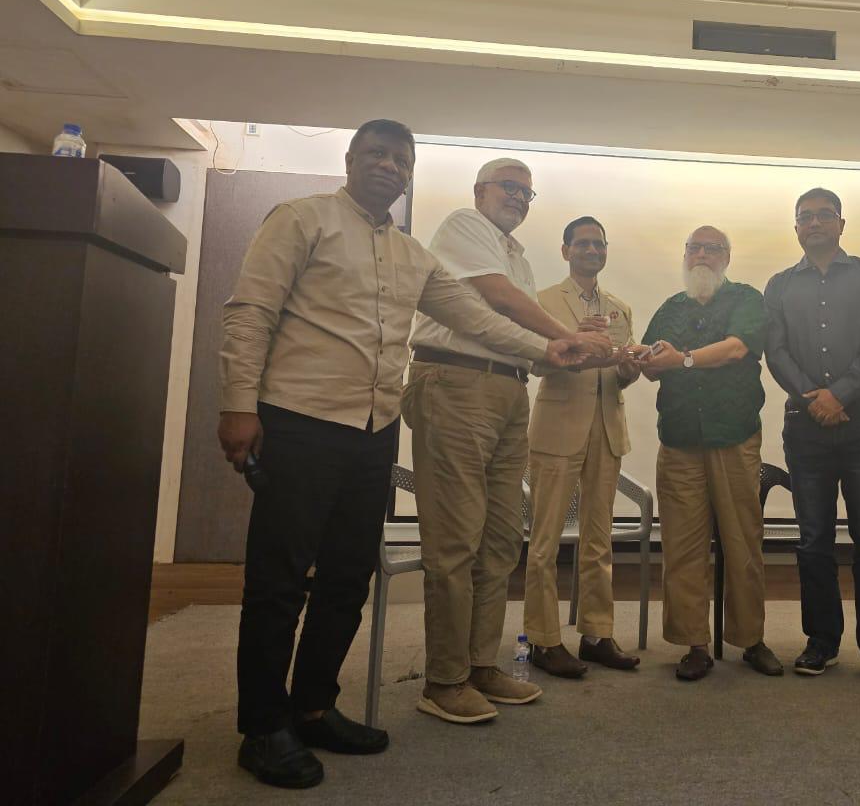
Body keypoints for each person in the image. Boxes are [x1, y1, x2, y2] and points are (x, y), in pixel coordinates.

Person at [219, 122, 590, 789]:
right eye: (377, 154)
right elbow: (251, 310)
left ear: (411, 173)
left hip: (374, 426)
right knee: (279, 580)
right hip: (300, 417)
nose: (390, 166)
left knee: (346, 578)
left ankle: (313, 707)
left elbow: (474, 317)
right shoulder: (302, 219)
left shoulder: (411, 254)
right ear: (350, 159)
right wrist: (238, 402)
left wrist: (546, 349)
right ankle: (263, 725)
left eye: (401, 159)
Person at [405, 158, 611, 724]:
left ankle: (480, 666)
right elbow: (497, 300)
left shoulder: (517, 256)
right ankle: (444, 680)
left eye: (526, 191)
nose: (518, 197)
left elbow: (527, 339)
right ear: (480, 191)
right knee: (455, 541)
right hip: (455, 383)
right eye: (509, 187)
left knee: (499, 540)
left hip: (509, 389)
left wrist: (584, 348)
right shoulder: (464, 226)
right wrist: (566, 335)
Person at [764, 188, 860, 684]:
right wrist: (814, 399)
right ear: (796, 228)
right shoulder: (779, 285)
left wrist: (839, 395)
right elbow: (776, 351)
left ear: (842, 224)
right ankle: (821, 641)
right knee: (813, 539)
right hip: (806, 429)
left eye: (826, 215)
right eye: (806, 217)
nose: (816, 223)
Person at [640, 225, 782, 681]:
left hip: (733, 436)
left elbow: (736, 349)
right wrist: (636, 357)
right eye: (694, 248)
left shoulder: (746, 299)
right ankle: (694, 645)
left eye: (712, 248)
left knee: (743, 541)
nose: (701, 255)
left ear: (727, 257)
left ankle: (751, 639)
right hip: (679, 439)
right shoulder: (671, 307)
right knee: (682, 545)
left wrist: (681, 359)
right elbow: (650, 365)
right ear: (685, 255)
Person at [524, 216, 646, 678]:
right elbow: (535, 363)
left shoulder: (620, 308)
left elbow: (619, 373)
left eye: (599, 244)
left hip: (607, 428)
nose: (592, 250)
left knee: (599, 540)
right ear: (565, 250)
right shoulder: (543, 302)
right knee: (545, 541)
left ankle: (596, 634)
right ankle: (543, 640)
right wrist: (576, 342)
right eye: (583, 243)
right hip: (558, 428)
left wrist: (629, 369)